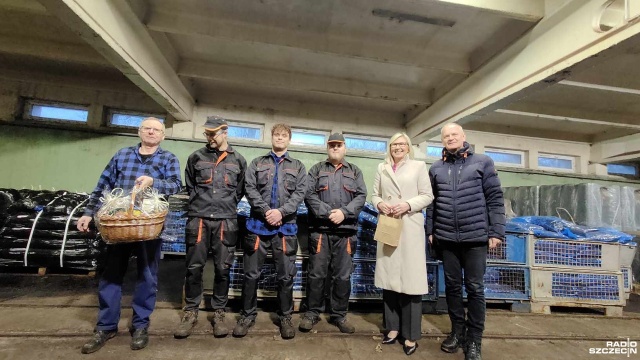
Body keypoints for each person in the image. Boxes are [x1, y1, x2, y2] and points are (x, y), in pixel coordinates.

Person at [76, 117, 182, 354]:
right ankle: (105, 326)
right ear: (139, 132)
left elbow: (177, 186)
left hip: (149, 226)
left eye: (157, 130)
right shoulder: (121, 156)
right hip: (118, 224)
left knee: (147, 277)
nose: (152, 132)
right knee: (111, 275)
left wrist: (154, 182)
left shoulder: (168, 159)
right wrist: (87, 213)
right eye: (148, 128)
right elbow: (103, 185)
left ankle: (141, 326)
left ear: (163, 136)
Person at [427, 123, 505, 360]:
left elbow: (495, 198)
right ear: (442, 141)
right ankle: (457, 332)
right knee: (451, 287)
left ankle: (474, 341)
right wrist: (430, 230)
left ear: (463, 137)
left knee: (475, 288)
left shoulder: (483, 162)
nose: (450, 138)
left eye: (454, 135)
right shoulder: (436, 168)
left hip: (475, 238)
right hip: (447, 237)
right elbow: (432, 203)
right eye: (446, 136)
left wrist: (496, 232)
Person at [232, 123, 307, 340]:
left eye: (284, 135)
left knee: (285, 277)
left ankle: (285, 317)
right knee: (251, 275)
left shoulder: (298, 166)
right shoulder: (257, 163)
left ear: (289, 139)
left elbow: (300, 193)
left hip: (285, 229)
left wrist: (281, 212)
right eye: (277, 134)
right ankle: (247, 315)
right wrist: (266, 211)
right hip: (257, 226)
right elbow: (250, 188)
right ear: (271, 137)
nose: (280, 138)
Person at [174, 116, 247, 339]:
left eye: (213, 133)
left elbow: (240, 190)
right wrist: (201, 204)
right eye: (207, 133)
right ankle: (191, 311)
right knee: (194, 267)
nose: (210, 137)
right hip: (199, 220)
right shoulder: (196, 157)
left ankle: (219, 313)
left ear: (225, 132)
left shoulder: (238, 160)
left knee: (222, 269)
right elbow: (190, 185)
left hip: (226, 221)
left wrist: (224, 205)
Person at [371, 132, 433, 356]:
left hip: (409, 226)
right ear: (390, 147)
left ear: (408, 147)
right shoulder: (382, 167)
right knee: (389, 280)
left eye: (401, 144)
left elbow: (427, 195)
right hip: (389, 225)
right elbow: (375, 195)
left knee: (411, 282)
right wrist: (380, 205)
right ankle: (393, 328)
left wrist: (407, 204)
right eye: (394, 144)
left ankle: (411, 335)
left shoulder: (418, 166)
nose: (397, 147)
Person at [300, 133, 367, 333]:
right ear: (327, 148)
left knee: (342, 277)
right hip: (321, 232)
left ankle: (339, 315)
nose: (335, 148)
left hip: (346, 233)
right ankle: (312, 313)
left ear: (345, 148)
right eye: (332, 146)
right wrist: (328, 213)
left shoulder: (355, 171)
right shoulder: (317, 170)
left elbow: (361, 195)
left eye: (338, 145)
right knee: (316, 274)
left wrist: (344, 213)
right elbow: (308, 194)